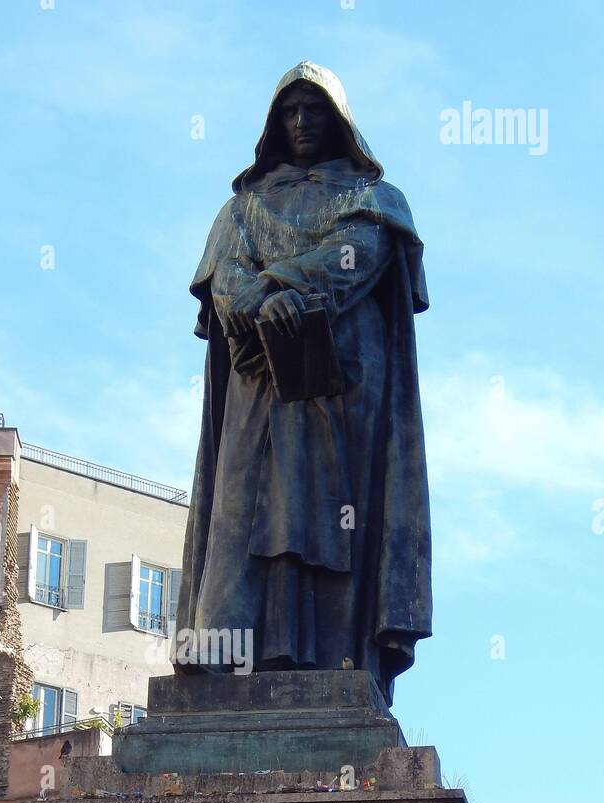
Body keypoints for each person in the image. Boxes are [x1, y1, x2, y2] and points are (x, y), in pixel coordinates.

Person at [176, 62, 431, 704]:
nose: (300, 121)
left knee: (338, 519)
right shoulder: (240, 210)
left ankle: (338, 663)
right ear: (273, 124)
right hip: (258, 384)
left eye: (313, 110)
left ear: (339, 122)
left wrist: (279, 286)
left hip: (341, 389)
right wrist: (259, 302)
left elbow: (355, 258)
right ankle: (224, 662)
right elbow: (224, 280)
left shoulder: (375, 201)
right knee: (242, 513)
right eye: (289, 111)